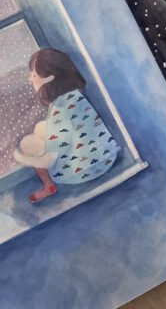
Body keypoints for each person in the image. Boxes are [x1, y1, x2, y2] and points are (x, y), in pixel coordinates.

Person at [14, 48, 119, 203]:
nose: (30, 79)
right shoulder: (75, 96)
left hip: (81, 171)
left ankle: (48, 185)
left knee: (30, 145)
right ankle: (48, 184)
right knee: (41, 134)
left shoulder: (60, 107)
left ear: (49, 78)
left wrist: (30, 154)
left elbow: (55, 149)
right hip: (106, 157)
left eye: (34, 75)